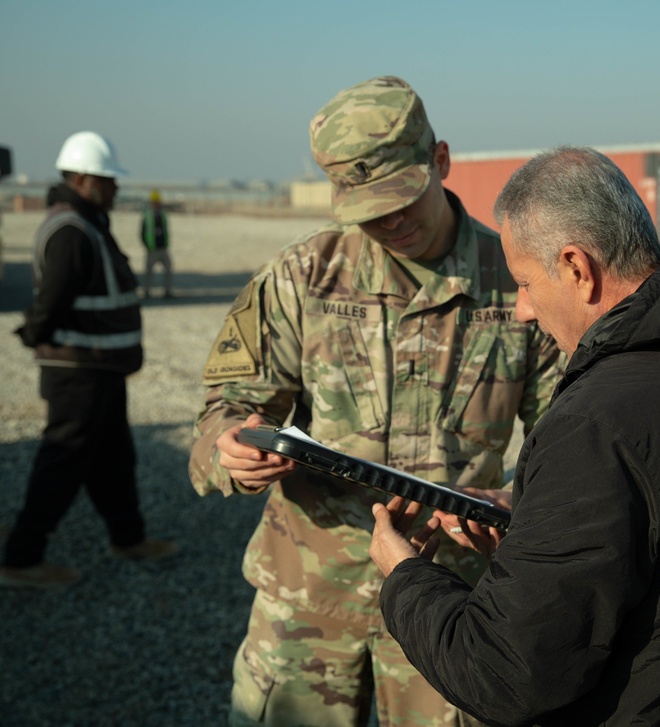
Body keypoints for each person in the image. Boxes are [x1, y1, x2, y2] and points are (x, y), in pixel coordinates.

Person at [370, 146, 660, 726]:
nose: (522, 311)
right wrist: (537, 516)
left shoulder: (596, 422)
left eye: (525, 284)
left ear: (576, 268)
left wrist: (404, 576)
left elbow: (502, 672)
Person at [188, 76, 562, 727]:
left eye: (401, 199)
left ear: (441, 162)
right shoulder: (302, 276)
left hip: (447, 606)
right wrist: (230, 449)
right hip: (308, 606)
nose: (389, 221)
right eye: (366, 208)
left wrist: (516, 500)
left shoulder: (518, 283)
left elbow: (572, 436)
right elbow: (229, 403)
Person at [1, 131, 178, 589]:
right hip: (78, 370)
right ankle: (22, 557)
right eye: (108, 180)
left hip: (100, 367)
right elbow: (53, 299)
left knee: (113, 457)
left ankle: (128, 536)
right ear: (82, 179)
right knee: (63, 460)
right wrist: (35, 333)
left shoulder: (88, 223)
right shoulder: (71, 231)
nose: (115, 189)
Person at [140, 188, 173, 298]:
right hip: (152, 249)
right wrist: (147, 245)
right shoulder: (147, 215)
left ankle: (167, 291)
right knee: (148, 272)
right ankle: (147, 292)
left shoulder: (162, 214)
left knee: (168, 269)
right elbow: (142, 232)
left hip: (163, 248)